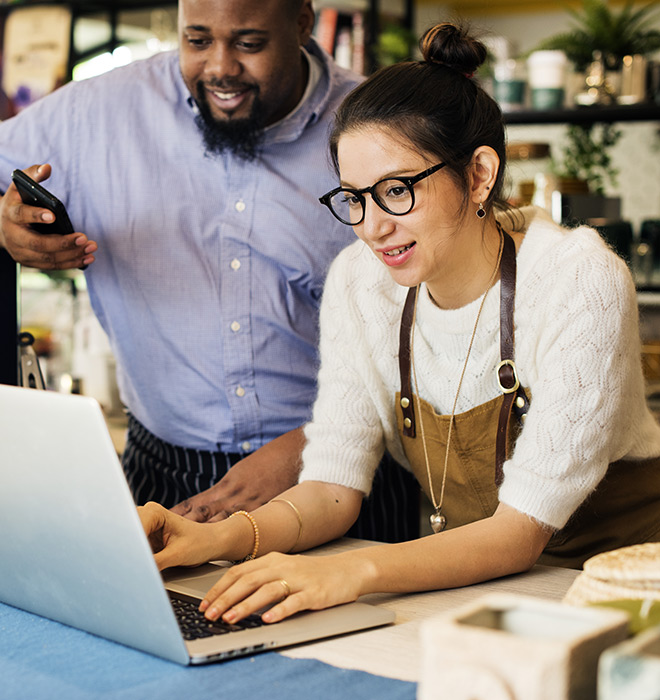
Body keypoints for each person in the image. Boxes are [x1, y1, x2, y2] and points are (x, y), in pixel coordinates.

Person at [138, 22, 660, 627]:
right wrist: (218, 539)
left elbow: (518, 533)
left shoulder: (578, 281)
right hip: (481, 590)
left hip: (625, 592)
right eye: (354, 198)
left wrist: (352, 572)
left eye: (396, 190)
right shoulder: (361, 283)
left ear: (479, 175)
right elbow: (333, 487)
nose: (371, 226)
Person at [0, 0, 420, 538]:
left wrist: (315, 446)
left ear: (301, 24)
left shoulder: (376, 127)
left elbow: (441, 324)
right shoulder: (101, 111)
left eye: (249, 43)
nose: (220, 67)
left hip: (348, 468)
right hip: (168, 478)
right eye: (197, 41)